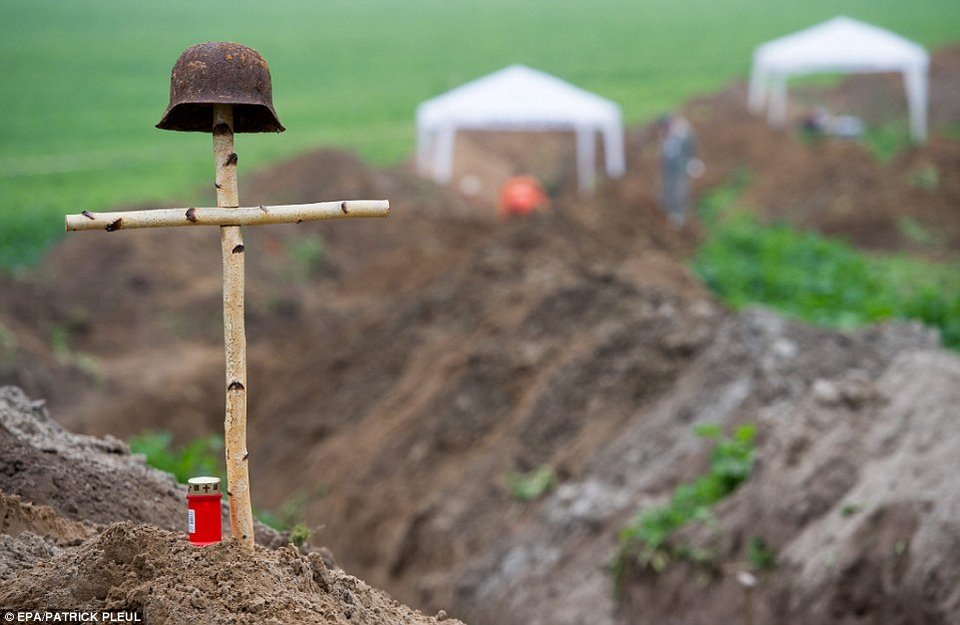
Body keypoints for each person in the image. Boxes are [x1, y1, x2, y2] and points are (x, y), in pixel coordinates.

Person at [659, 114, 701, 227]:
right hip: (669, 168)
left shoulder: (683, 133)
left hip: (680, 168)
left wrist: (691, 163)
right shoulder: (668, 135)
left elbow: (690, 149)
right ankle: (667, 212)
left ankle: (679, 215)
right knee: (667, 190)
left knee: (679, 192)